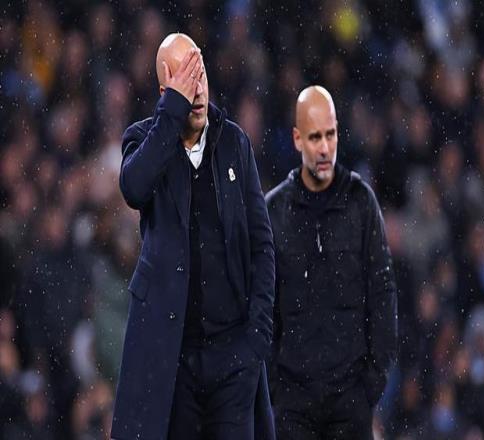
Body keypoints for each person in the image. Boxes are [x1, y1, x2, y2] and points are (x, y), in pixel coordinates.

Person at [111, 33, 276, 440]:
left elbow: (262, 246)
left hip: (233, 357)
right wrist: (171, 114)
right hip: (171, 360)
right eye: (185, 80)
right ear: (165, 93)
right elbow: (134, 188)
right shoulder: (144, 140)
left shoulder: (234, 142)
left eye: (200, 76)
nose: (198, 90)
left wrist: (255, 340)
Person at [265, 85, 398, 439]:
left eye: (330, 135)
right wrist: (276, 388)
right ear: (297, 139)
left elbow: (383, 293)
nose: (324, 148)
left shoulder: (361, 202)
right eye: (314, 137)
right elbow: (260, 307)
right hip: (293, 405)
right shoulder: (273, 212)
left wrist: (372, 383)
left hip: (350, 401)